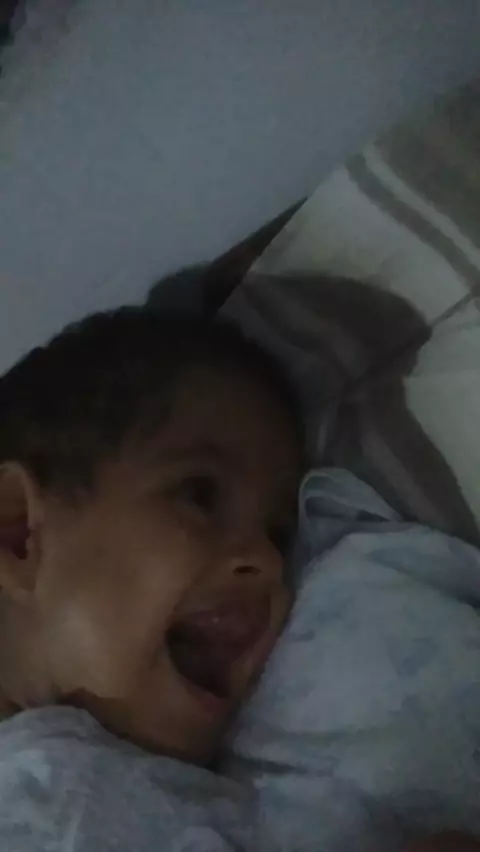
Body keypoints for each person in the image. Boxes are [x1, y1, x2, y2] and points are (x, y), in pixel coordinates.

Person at [0, 307, 301, 850]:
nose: (268, 560)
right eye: (199, 495)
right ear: (19, 532)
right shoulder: (51, 800)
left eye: (280, 534)